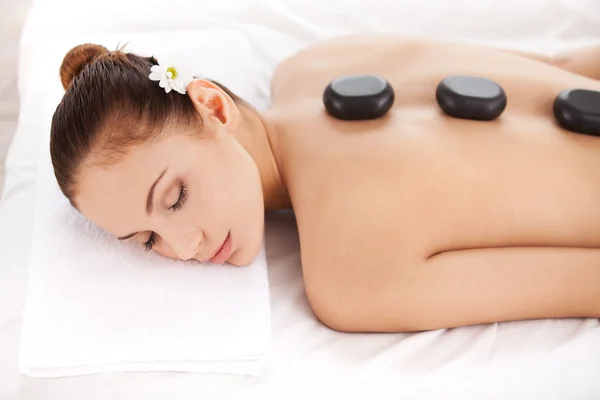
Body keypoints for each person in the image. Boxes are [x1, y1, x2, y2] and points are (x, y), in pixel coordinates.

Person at [50, 34, 600, 333]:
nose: (185, 246)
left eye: (175, 198)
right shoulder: (315, 62)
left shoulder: (348, 274)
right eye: (148, 241)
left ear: (213, 107)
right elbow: (567, 62)